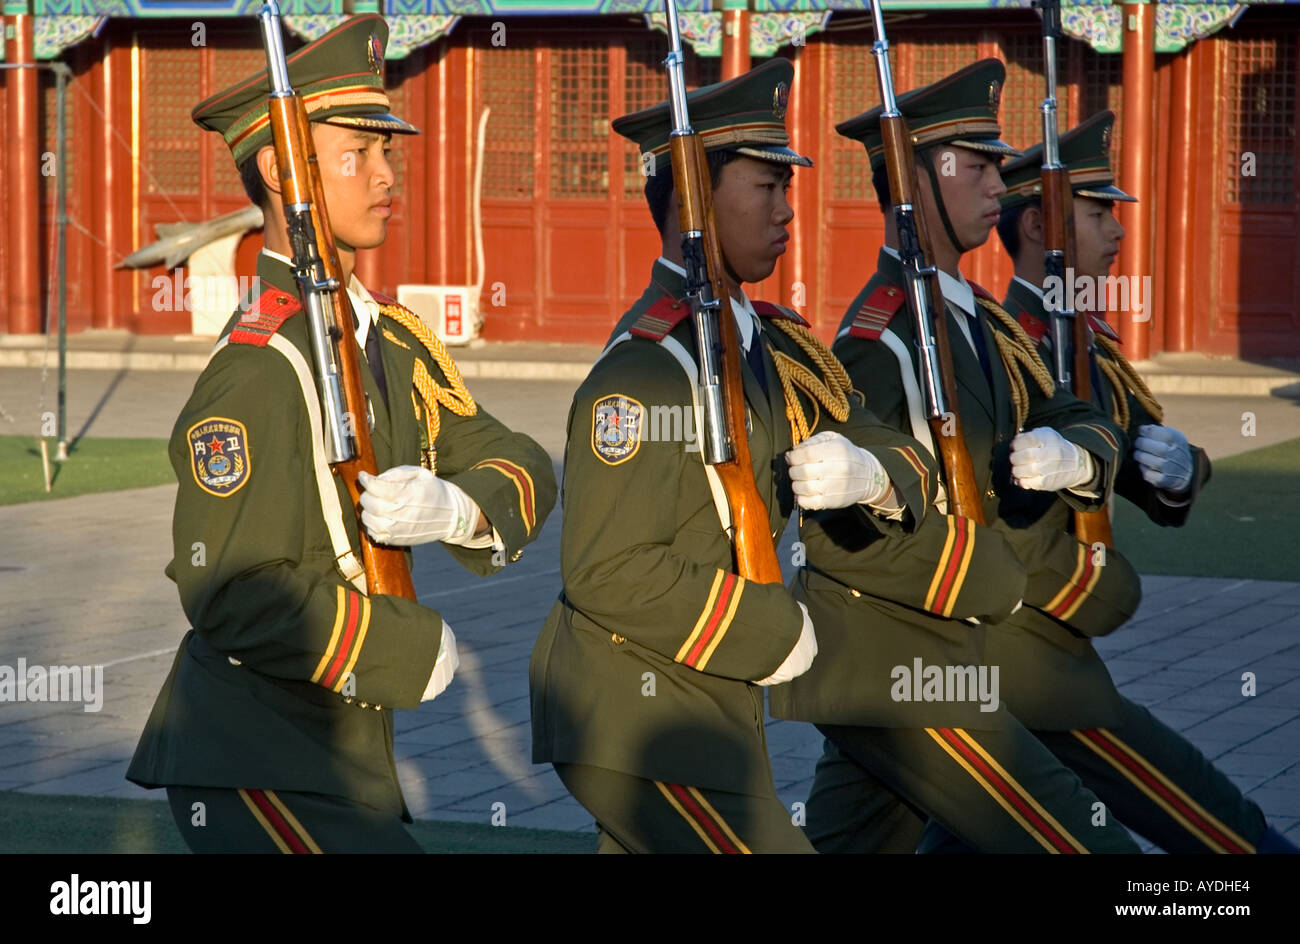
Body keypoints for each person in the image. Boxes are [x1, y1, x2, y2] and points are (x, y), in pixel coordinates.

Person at [126, 14, 556, 853]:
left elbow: (520, 458)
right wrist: (398, 643)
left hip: (339, 754)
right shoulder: (260, 363)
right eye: (356, 156)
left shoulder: (387, 339)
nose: (387, 176)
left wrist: (457, 509)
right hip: (256, 753)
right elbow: (232, 591)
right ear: (284, 173)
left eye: (386, 152)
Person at [529, 58, 939, 853]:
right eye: (767, 188)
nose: (789, 211)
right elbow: (607, 569)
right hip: (634, 710)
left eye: (789, 188)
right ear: (694, 196)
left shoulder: (768, 342)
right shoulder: (645, 369)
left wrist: (872, 474)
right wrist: (772, 625)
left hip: (708, 691)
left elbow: (882, 439)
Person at [769, 59, 1145, 853]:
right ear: (913, 181)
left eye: (997, 166)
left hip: (941, 651)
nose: (998, 186)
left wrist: (1075, 454)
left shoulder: (988, 323)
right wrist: (990, 577)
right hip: (896, 665)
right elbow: (848, 540)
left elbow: (1076, 415)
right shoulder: (877, 339)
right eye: (975, 167)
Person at [983, 110, 1297, 853]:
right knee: (1212, 821)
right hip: (1025, 642)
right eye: (1097, 215)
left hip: (1053, 642)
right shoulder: (996, 348)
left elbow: (1151, 466)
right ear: (1036, 226)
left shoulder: (1092, 347)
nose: (1119, 233)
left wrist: (1185, 471)